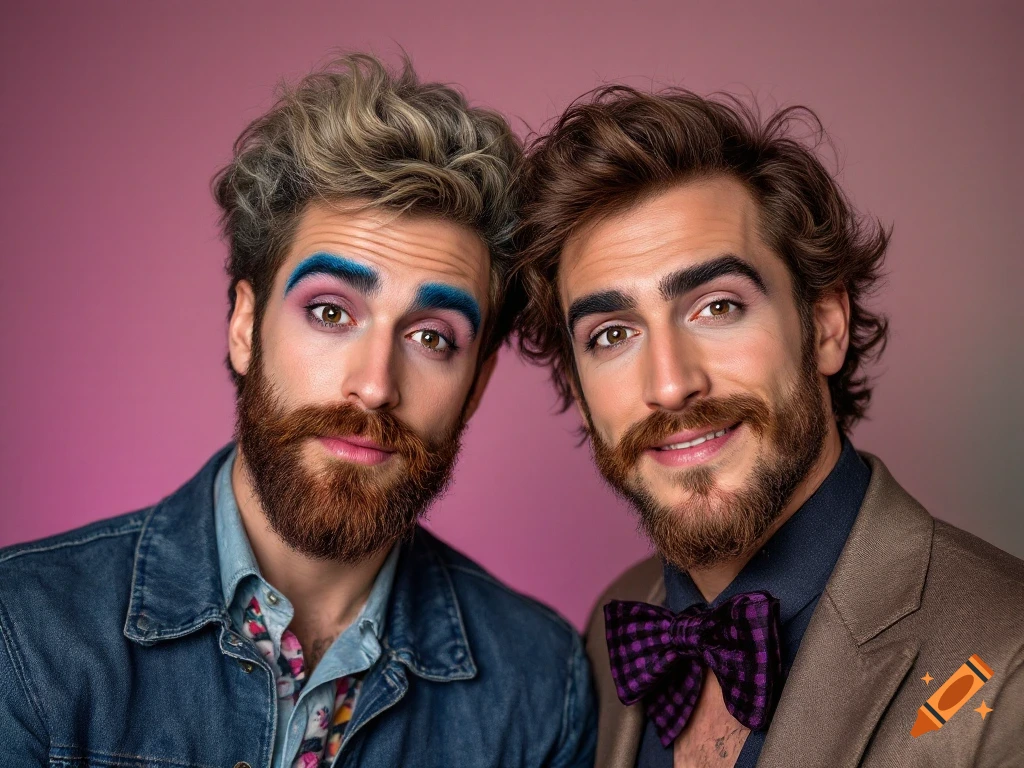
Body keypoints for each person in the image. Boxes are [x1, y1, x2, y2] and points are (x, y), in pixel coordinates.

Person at [0, 54, 595, 768]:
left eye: (432, 337)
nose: (374, 386)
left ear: (477, 384)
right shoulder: (25, 632)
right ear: (244, 327)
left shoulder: (541, 690)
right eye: (330, 312)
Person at [513, 85, 1023, 767]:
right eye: (611, 334)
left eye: (718, 307)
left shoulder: (1009, 664)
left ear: (826, 326)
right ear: (579, 394)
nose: (670, 385)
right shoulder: (613, 630)